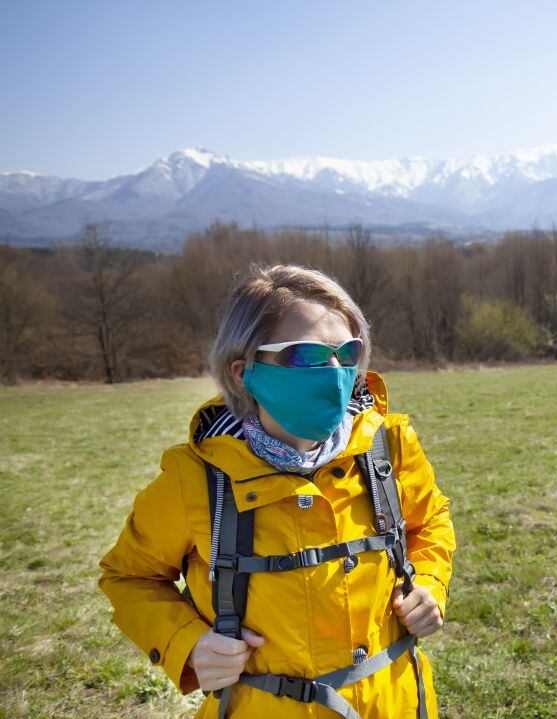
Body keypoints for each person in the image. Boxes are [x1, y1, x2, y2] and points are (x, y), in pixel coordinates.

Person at [98, 263, 455, 718]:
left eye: (347, 353)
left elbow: (431, 522)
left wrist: (428, 583)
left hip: (395, 705)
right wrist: (185, 643)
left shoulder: (389, 447)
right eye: (305, 355)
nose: (332, 370)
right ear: (244, 371)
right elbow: (128, 576)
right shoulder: (197, 478)